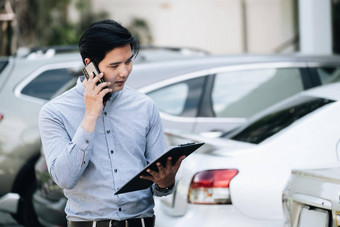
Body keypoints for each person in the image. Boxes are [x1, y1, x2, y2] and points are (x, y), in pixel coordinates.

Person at [39, 19, 185, 227]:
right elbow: (65, 178)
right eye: (115, 65)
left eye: (128, 61)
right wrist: (90, 116)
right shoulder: (54, 112)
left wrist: (165, 183)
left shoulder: (145, 107)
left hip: (141, 221)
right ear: (90, 65)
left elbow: (159, 184)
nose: (124, 72)